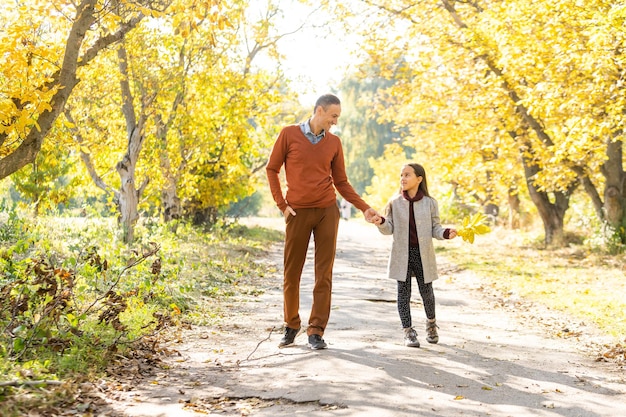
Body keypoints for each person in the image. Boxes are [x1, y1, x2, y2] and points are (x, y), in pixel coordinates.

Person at [266, 94, 378, 350]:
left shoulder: (334, 143)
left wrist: (364, 208)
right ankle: (291, 325)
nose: (336, 122)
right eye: (333, 116)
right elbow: (271, 169)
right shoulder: (288, 134)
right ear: (319, 111)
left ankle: (316, 330)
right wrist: (282, 205)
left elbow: (341, 182)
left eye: (337, 117)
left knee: (323, 274)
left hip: (327, 210)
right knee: (291, 272)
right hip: (297, 212)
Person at [372, 163, 457, 347]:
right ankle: (408, 332)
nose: (403, 178)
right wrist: (381, 222)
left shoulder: (430, 203)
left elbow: (436, 228)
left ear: (419, 179)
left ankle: (431, 324)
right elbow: (389, 229)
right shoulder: (394, 203)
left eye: (407, 175)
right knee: (403, 293)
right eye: (401, 175)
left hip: (422, 254)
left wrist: (445, 233)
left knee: (427, 292)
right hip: (402, 255)